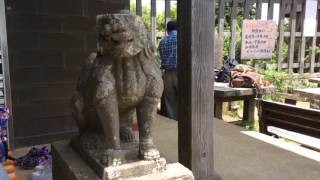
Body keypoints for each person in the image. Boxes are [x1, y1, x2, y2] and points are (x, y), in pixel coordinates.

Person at [159, 21, 178, 120]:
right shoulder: (182, 39)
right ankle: (185, 122)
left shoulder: (162, 42)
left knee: (170, 101)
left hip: (167, 74)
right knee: (184, 99)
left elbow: (162, 57)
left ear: (167, 30)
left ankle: (173, 123)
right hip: (182, 73)